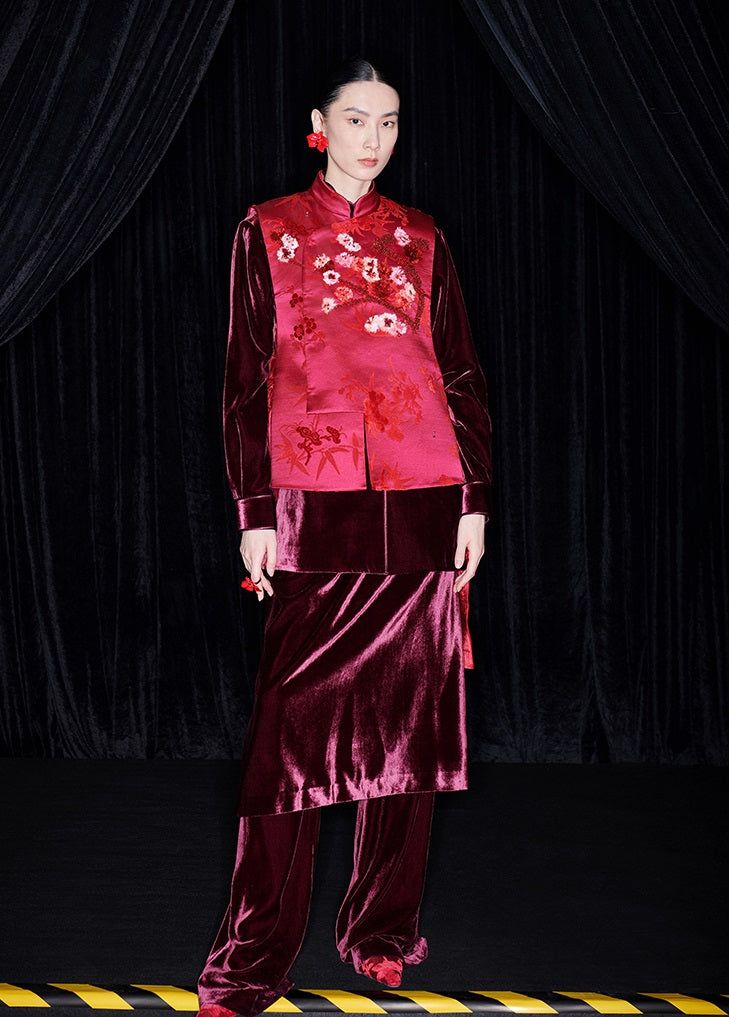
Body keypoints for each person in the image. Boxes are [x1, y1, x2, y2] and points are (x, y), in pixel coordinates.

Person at [196, 56, 492, 1017]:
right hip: (311, 500)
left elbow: (458, 372)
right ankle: (253, 954)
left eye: (389, 121)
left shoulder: (423, 236)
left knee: (408, 733)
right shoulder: (267, 228)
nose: (374, 138)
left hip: (422, 500)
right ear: (320, 126)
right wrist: (253, 512)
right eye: (357, 119)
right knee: (288, 744)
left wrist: (474, 499)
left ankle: (379, 929)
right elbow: (243, 379)